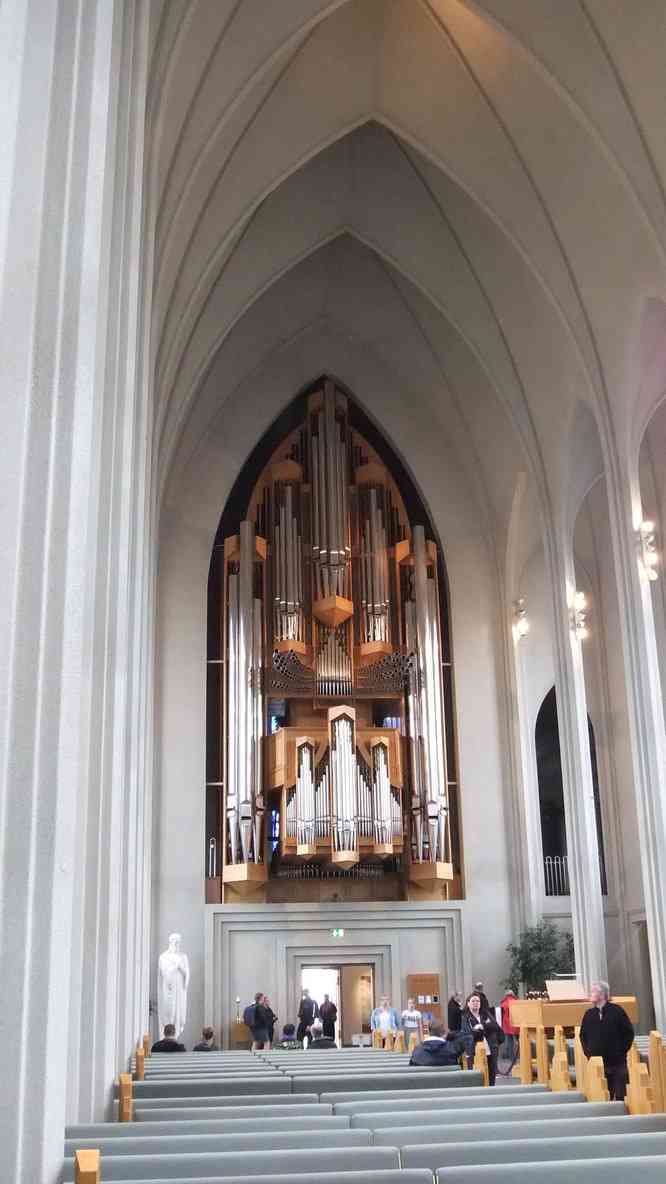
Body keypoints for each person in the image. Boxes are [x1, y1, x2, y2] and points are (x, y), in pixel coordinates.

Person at [580, 980, 634, 1101]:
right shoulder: (589, 1014)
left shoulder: (617, 1011)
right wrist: (589, 1054)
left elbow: (628, 1033)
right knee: (604, 1097)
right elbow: (583, 1036)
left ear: (602, 994)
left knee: (621, 1097)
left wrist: (621, 1051)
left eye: (594, 991)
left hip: (617, 1062)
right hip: (598, 1063)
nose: (591, 993)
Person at [461, 991, 504, 1085]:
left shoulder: (486, 1014)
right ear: (468, 1003)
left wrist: (482, 1026)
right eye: (473, 1001)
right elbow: (466, 1034)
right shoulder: (465, 1018)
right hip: (475, 1051)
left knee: (491, 1076)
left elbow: (495, 1027)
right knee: (478, 1078)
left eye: (478, 1001)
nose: (476, 1003)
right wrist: (477, 1030)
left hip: (491, 1049)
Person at [499, 989, 519, 1064]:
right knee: (520, 1041)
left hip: (507, 1025)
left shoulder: (503, 1003)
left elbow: (501, 1014)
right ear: (512, 994)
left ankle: (512, 1058)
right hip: (516, 1024)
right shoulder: (516, 1002)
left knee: (510, 1042)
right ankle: (522, 1056)